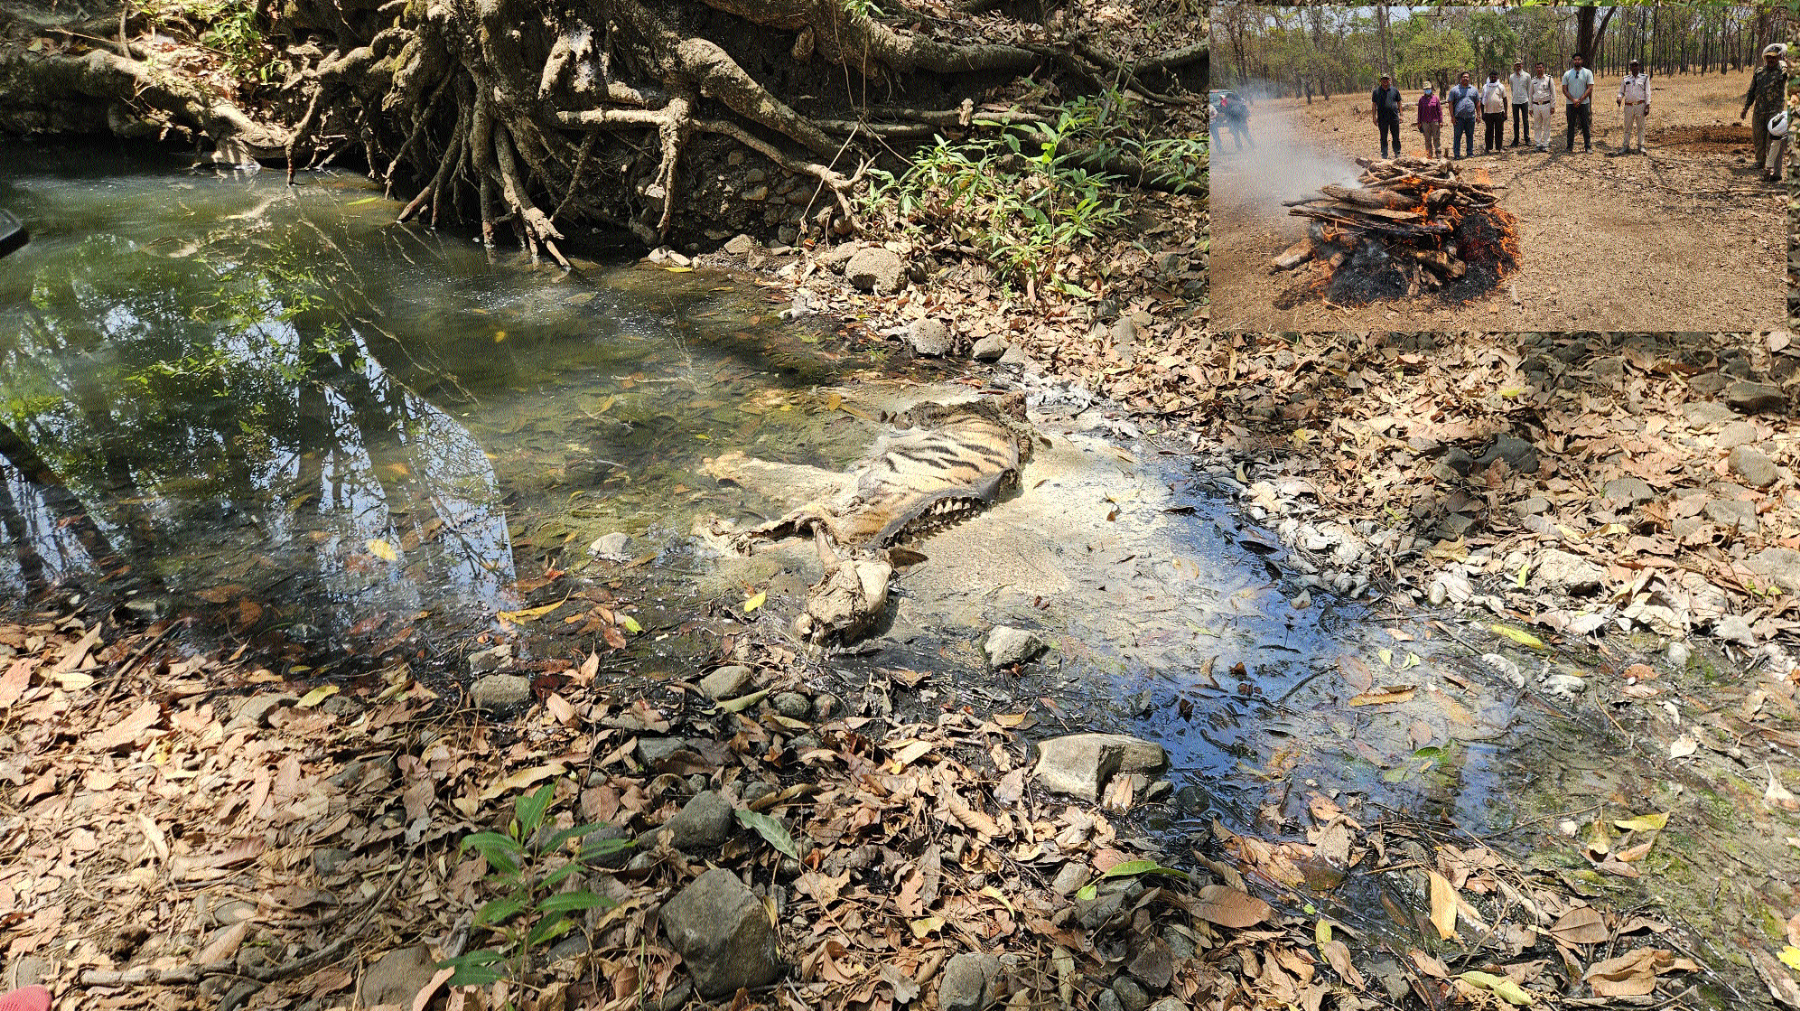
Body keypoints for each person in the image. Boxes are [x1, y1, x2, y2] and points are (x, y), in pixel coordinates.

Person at [1742, 43, 1789, 178]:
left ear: (1778, 58)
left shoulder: (1782, 71)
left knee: (1772, 140)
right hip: (1759, 111)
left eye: (1774, 57)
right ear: (1765, 58)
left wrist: (1784, 62)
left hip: (1774, 112)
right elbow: (1752, 91)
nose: (1771, 60)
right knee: (1758, 137)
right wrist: (1746, 108)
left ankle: (1771, 165)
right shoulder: (1759, 72)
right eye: (1768, 57)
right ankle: (1759, 161)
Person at [1616, 58, 1651, 154]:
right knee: (1627, 127)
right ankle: (1625, 146)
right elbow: (1621, 91)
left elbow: (1647, 93)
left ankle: (1641, 146)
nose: (1634, 67)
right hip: (1629, 106)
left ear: (1639, 67)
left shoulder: (1644, 78)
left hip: (1640, 105)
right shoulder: (1625, 78)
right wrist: (1619, 97)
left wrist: (1647, 106)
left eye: (1636, 65)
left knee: (1641, 127)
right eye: (1632, 65)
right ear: (1630, 67)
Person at [1562, 53, 1594, 152]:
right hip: (1570, 104)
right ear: (1573, 61)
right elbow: (1564, 89)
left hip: (1583, 104)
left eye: (1579, 59)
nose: (1577, 61)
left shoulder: (1587, 72)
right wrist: (1573, 100)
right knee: (1570, 125)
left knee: (1585, 125)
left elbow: (1590, 88)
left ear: (1582, 61)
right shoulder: (1567, 74)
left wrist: (1580, 99)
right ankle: (1569, 146)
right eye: (1575, 59)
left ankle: (1588, 147)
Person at [1447, 71, 1480, 159]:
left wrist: (1478, 115)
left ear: (1469, 79)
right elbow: (1450, 103)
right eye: (1464, 77)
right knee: (1457, 136)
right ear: (1460, 78)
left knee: (1470, 135)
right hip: (1459, 118)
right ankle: (1457, 154)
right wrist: (1452, 117)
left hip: (1470, 117)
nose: (1465, 78)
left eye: (1467, 77)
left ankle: (1470, 153)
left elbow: (1477, 102)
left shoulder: (1474, 90)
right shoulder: (1454, 90)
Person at [1370, 73, 1403, 158]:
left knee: (1396, 136)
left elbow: (1399, 102)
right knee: (1383, 137)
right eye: (1383, 79)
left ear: (1389, 80)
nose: (1385, 81)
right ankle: (1384, 154)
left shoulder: (1395, 90)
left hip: (1394, 117)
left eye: (1386, 79)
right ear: (1380, 81)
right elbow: (1374, 105)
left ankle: (1397, 153)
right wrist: (1374, 117)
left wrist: (1401, 115)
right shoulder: (1376, 91)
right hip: (1382, 118)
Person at [1528, 62, 1556, 151]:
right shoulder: (1533, 80)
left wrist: (1552, 106)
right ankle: (1538, 144)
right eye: (1537, 67)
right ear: (1535, 69)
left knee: (1546, 125)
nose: (1539, 69)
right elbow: (1530, 95)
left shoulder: (1549, 79)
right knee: (1537, 125)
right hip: (1536, 105)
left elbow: (1553, 94)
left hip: (1546, 105)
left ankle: (1546, 144)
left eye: (1540, 67)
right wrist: (1530, 107)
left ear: (1543, 68)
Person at [1481, 71, 1508, 153]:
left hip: (1499, 112)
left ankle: (1499, 147)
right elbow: (1482, 101)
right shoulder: (1485, 87)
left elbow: (1505, 100)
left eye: (1494, 76)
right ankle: (1488, 148)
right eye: (1491, 76)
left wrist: (1506, 112)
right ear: (1489, 77)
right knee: (1489, 131)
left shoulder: (1501, 86)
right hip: (1488, 113)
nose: (1493, 78)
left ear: (1497, 77)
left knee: (1499, 131)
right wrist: (1482, 113)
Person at [1508, 59, 1532, 147]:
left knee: (1525, 120)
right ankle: (1516, 139)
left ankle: (1527, 138)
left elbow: (1529, 89)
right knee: (1516, 121)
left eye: (1519, 64)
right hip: (1515, 101)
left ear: (1522, 65)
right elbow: (1512, 88)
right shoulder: (1511, 77)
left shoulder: (1527, 76)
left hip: (1524, 101)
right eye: (1516, 64)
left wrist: (1529, 102)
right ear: (1514, 66)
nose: (1518, 66)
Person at [1417, 82, 1444, 159]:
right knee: (1427, 139)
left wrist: (1441, 121)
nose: (1427, 90)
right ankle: (1429, 155)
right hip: (1425, 122)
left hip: (1435, 121)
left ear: (1431, 89)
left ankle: (1438, 154)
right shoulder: (1421, 99)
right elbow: (1419, 111)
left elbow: (1439, 111)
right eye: (1426, 89)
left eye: (1428, 89)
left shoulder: (1436, 98)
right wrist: (1419, 122)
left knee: (1436, 138)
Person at [1767, 108, 1789, 181]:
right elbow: (1774, 146)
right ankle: (1777, 174)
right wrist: (1769, 167)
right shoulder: (1775, 123)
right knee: (1778, 148)